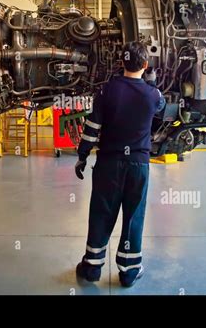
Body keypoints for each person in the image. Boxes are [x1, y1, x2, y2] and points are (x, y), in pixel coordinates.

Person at [74, 41, 165, 288]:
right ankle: (129, 270)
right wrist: (152, 84)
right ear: (145, 65)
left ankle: (92, 267)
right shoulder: (152, 95)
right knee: (134, 216)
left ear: (121, 63)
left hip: (108, 165)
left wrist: (82, 155)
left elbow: (92, 128)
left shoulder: (105, 91)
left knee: (101, 214)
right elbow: (161, 106)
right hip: (138, 165)